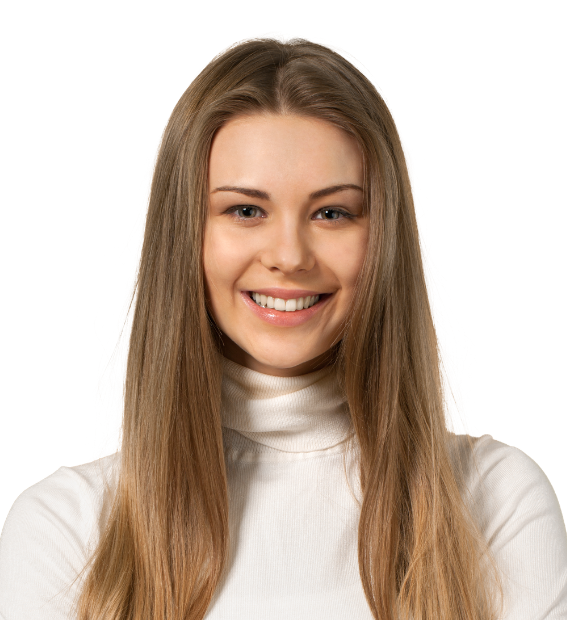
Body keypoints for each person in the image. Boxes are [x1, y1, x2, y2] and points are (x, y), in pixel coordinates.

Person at [0, 37, 566, 620]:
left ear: (382, 237)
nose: (290, 256)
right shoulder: (66, 531)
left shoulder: (496, 504)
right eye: (246, 210)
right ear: (186, 234)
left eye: (332, 212)